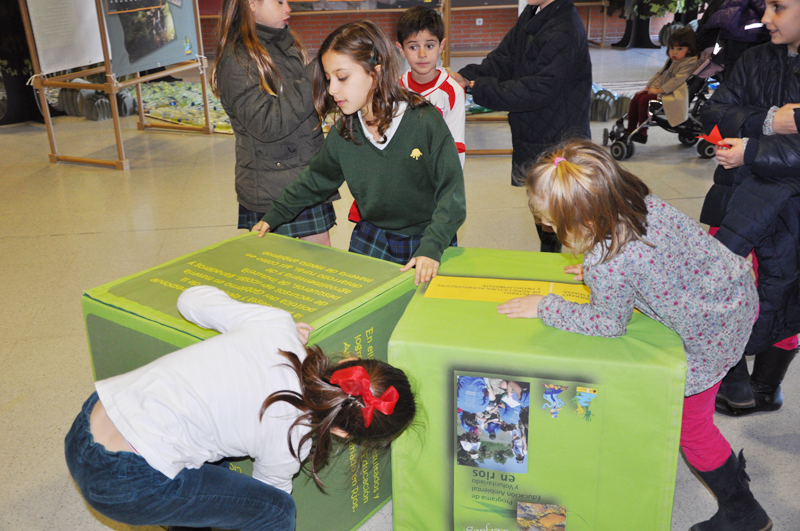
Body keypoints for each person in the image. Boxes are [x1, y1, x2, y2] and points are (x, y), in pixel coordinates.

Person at [497, 140, 771, 531]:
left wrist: (546, 305)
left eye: (550, 222)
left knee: (692, 431)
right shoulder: (638, 199)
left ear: (586, 222)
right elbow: (660, 260)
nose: (544, 227)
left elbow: (608, 324)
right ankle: (735, 380)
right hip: (735, 294)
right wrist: (600, 269)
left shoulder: (612, 262)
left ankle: (745, 514)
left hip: (711, 332)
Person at [64, 285, 416, 531]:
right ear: (341, 431)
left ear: (351, 360)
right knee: (277, 513)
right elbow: (265, 496)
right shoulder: (294, 437)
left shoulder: (275, 324)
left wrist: (270, 325)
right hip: (122, 484)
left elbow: (190, 300)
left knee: (209, 452)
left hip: (87, 422)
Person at [253, 20, 466, 286]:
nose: (332, 89)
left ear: (375, 73)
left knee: (422, 315)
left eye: (342, 78)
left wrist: (432, 246)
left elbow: (452, 195)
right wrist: (273, 216)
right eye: (329, 79)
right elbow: (314, 181)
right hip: (373, 234)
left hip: (427, 237)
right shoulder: (344, 131)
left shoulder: (424, 122)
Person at [699, 0, 800, 417]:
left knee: (787, 293)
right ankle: (732, 373)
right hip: (736, 199)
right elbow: (710, 116)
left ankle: (767, 384)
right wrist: (768, 122)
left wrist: (753, 151)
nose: (767, 18)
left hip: (790, 209)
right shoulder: (755, 56)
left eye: (779, 7)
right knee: (718, 281)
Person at [450, 0, 592, 253]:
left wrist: (475, 86)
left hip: (558, 136)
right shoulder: (534, 12)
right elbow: (504, 59)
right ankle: (548, 260)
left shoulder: (564, 28)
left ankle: (560, 268)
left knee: (560, 213)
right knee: (542, 210)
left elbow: (538, 89)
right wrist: (466, 76)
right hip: (535, 131)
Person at [211, 0, 336, 246]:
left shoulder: (285, 44)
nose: (288, 7)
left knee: (323, 267)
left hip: (304, 177)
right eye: (279, 1)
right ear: (253, 4)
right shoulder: (237, 58)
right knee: (281, 274)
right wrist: (315, 74)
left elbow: (304, 108)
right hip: (273, 189)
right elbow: (267, 125)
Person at [397, 5, 466, 167]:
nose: (422, 54)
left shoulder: (452, 91)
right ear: (401, 49)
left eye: (429, 46)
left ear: (441, 47)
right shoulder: (396, 88)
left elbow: (456, 146)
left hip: (436, 177)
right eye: (413, 47)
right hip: (403, 174)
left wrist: (448, 186)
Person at [625, 27, 700, 144]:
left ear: (689, 50)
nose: (674, 52)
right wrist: (649, 86)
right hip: (663, 91)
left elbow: (677, 80)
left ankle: (642, 132)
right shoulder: (673, 60)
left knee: (644, 100)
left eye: (679, 48)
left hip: (674, 94)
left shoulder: (690, 62)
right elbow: (660, 73)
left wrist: (659, 90)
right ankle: (630, 130)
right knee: (637, 97)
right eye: (672, 48)